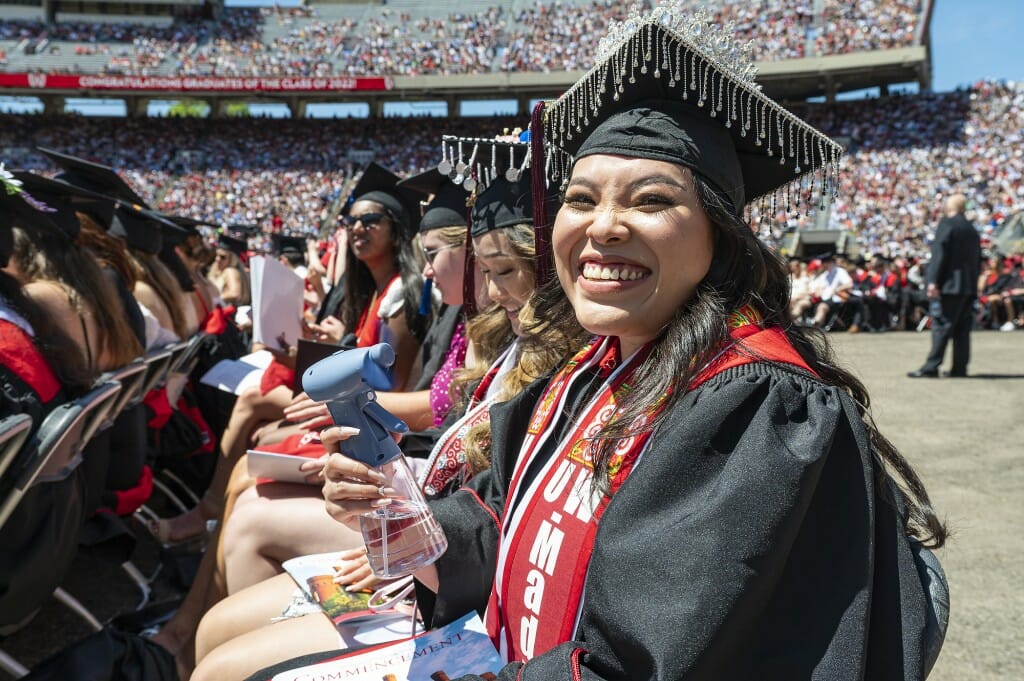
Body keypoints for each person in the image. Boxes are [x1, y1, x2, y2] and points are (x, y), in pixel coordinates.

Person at [321, 8, 945, 679]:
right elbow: (508, 519)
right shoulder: (587, 372)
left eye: (650, 199)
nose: (604, 227)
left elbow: (642, 662)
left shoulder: (752, 406)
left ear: (719, 232)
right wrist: (396, 507)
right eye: (581, 199)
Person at [908, 193, 982, 378]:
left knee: (942, 326)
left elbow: (939, 254)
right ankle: (960, 367)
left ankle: (931, 367)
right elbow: (977, 260)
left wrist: (932, 281)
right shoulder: (971, 229)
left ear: (949, 207)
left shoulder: (947, 224)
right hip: (967, 286)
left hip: (950, 285)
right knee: (962, 329)